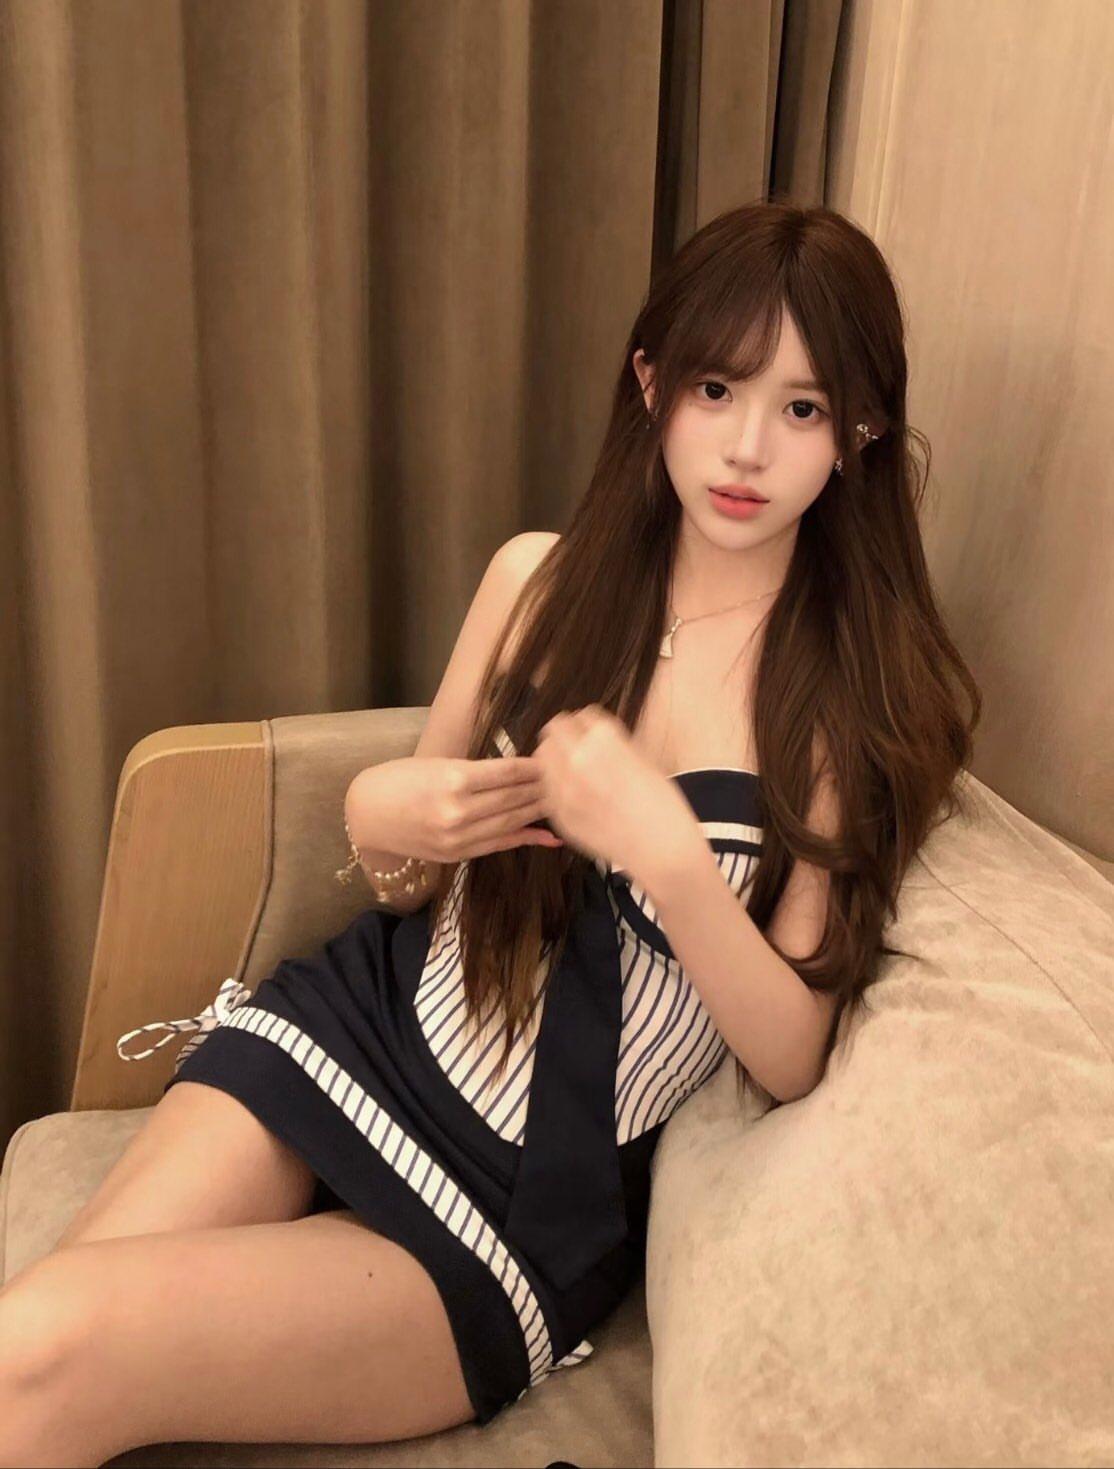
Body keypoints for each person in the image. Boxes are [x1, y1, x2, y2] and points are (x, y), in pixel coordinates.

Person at [3, 198, 980, 1461]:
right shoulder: (536, 580)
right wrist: (380, 812)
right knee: (33, 1334)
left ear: (859, 431)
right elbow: (405, 879)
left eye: (801, 408)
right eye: (716, 388)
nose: (747, 447)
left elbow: (793, 1053)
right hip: (354, 1029)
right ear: (651, 385)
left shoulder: (843, 699)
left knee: (47, 1345)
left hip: (508, 1208)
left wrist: (670, 858)